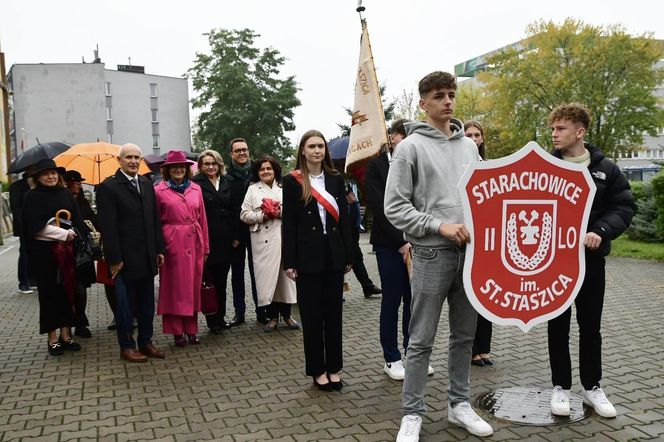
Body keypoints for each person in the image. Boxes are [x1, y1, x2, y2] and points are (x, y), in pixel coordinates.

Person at [385, 71, 493, 439]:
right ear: (423, 102)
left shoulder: (469, 147)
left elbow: (483, 198)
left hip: (470, 256)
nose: (447, 101)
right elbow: (394, 207)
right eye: (439, 96)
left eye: (451, 94)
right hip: (432, 255)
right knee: (421, 339)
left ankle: (458, 404)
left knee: (465, 336)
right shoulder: (409, 148)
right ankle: (412, 413)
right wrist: (438, 225)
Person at [547, 103, 634, 418]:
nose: (554, 134)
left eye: (561, 128)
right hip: (554, 262)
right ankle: (560, 387)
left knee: (590, 326)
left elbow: (623, 207)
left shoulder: (606, 169)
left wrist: (601, 230)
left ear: (580, 131)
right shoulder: (546, 166)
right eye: (553, 128)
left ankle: (592, 387)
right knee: (557, 324)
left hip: (591, 262)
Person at [282, 130, 353, 392]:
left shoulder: (335, 178)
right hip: (306, 256)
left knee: (334, 315)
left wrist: (349, 255)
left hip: (333, 253)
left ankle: (334, 368)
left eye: (321, 146)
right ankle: (317, 370)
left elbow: (345, 220)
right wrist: (289, 261)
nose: (317, 151)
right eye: (312, 146)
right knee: (312, 316)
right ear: (302, 150)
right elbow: (288, 224)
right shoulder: (291, 181)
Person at [97, 143, 166, 363]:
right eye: (129, 157)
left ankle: (145, 342)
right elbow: (108, 227)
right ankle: (126, 345)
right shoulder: (108, 187)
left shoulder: (146, 184)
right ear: (119, 160)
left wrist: (158, 249)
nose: (134, 161)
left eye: (137, 157)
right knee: (126, 305)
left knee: (146, 304)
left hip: (147, 256)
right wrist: (114, 259)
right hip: (124, 260)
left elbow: (154, 219)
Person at [365, 119, 419, 381]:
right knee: (392, 300)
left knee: (414, 301)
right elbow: (382, 206)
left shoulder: (413, 161)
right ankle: (391, 357)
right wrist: (400, 241)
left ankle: (414, 354)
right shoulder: (376, 166)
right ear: (392, 138)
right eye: (400, 136)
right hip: (389, 245)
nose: (404, 141)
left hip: (417, 243)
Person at [22, 159, 84, 356]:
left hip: (67, 252)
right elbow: (34, 227)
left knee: (67, 292)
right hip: (45, 254)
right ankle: (53, 338)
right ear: (38, 177)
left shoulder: (65, 193)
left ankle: (67, 335)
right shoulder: (31, 197)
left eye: (53, 173)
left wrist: (76, 232)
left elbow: (76, 218)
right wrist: (63, 234)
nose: (51, 176)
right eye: (46, 173)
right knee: (48, 294)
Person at [155, 151, 210, 347]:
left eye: (182, 166)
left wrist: (205, 248)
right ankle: (177, 331)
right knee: (174, 289)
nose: (178, 169)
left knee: (193, 287)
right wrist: (160, 248)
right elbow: (155, 222)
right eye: (174, 166)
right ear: (167, 170)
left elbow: (202, 218)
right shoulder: (159, 190)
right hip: (172, 243)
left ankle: (192, 329)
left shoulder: (196, 189)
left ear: (187, 169)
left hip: (194, 242)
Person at [240, 155, 299, 333]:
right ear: (257, 172)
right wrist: (262, 215)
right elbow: (244, 214)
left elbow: (295, 210)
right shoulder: (252, 190)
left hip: (283, 238)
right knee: (268, 279)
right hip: (263, 241)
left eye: (269, 168)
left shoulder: (285, 186)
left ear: (275, 170)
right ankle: (272, 317)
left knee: (285, 278)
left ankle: (287, 316)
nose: (266, 172)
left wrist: (279, 211)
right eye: (262, 169)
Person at [192, 150, 235, 334]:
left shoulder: (228, 181)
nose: (210, 167)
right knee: (209, 282)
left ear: (219, 165)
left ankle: (222, 317)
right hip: (206, 239)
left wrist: (235, 236)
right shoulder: (196, 184)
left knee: (222, 282)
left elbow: (235, 209)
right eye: (206, 163)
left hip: (226, 238)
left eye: (214, 163)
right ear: (200, 166)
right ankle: (212, 320)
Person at [463, 120, 494, 368]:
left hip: (487, 241)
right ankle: (471, 350)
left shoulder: (490, 167)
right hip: (465, 239)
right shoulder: (461, 167)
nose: (473, 138)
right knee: (469, 300)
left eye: (477, 135)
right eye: (468, 135)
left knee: (487, 297)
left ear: (482, 139)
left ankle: (484, 348)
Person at [226, 138, 266, 325]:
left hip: (257, 229)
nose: (242, 153)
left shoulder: (257, 174)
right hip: (235, 234)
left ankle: (261, 310)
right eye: (237, 151)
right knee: (237, 274)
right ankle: (239, 313)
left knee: (258, 271)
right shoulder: (226, 178)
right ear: (231, 154)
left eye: (244, 149)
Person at [63, 170, 96, 339]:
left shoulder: (83, 202)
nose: (79, 185)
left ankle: (81, 321)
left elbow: (93, 221)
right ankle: (71, 322)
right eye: (76, 182)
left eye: (80, 182)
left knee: (81, 289)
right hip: (66, 250)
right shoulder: (62, 200)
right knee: (72, 288)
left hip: (82, 251)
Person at [345, 180, 382, 298]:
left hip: (353, 231)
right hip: (345, 230)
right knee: (355, 259)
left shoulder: (349, 180)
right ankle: (367, 286)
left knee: (356, 259)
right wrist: (347, 202)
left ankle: (367, 287)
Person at [9, 168, 34, 294]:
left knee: (35, 253)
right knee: (24, 253)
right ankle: (23, 282)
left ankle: (32, 279)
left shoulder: (37, 184)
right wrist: (23, 225)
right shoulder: (16, 186)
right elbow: (16, 208)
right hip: (24, 226)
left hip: (37, 226)